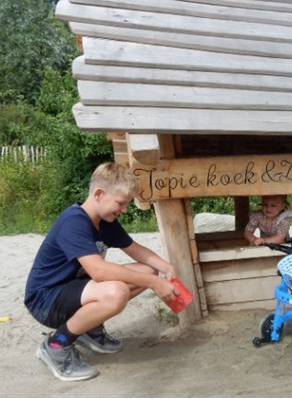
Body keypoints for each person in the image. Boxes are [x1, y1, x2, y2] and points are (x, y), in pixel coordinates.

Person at [24, 163, 179, 382]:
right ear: (99, 194)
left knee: (148, 269)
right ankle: (56, 344)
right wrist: (154, 282)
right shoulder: (74, 221)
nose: (124, 210)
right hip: (46, 300)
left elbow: (136, 250)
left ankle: (88, 328)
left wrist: (166, 268)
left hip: (73, 291)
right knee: (115, 292)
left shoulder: (107, 221)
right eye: (120, 203)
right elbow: (99, 271)